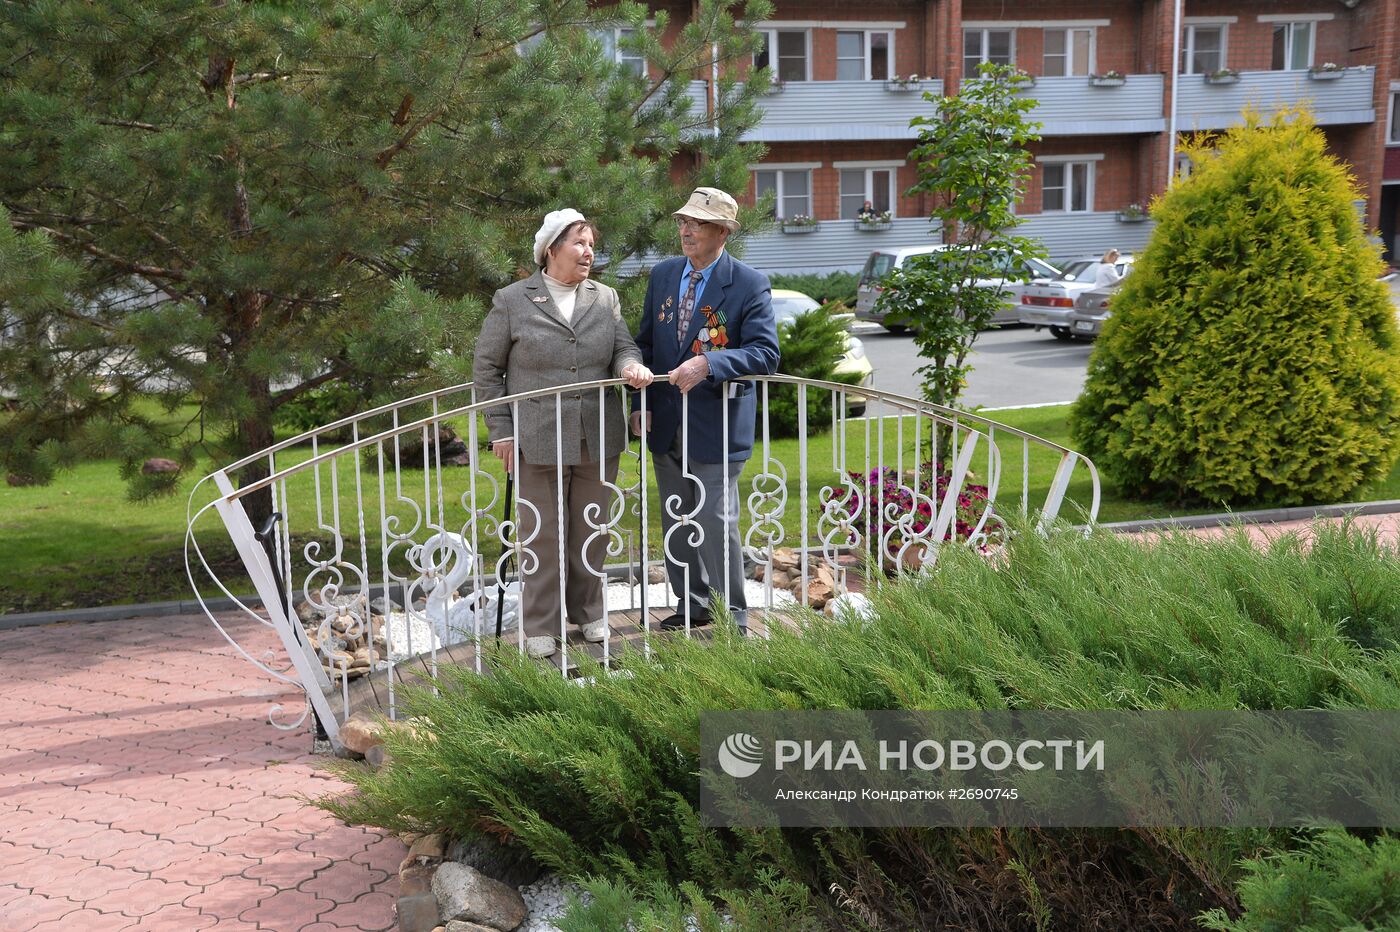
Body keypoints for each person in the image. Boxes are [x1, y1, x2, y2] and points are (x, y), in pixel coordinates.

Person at [474, 209, 654, 658]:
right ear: (550, 249)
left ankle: (590, 612)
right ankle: (541, 623)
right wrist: (501, 429)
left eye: (592, 243)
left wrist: (629, 366)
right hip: (535, 434)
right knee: (541, 533)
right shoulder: (513, 300)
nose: (588, 251)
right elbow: (487, 369)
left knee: (591, 529)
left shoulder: (605, 297)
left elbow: (622, 346)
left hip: (598, 433)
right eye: (579, 242)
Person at [631, 187, 781, 633]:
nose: (686, 230)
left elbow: (766, 354)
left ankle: (732, 613)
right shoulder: (663, 275)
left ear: (723, 231)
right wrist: (639, 400)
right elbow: (645, 345)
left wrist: (710, 363)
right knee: (676, 513)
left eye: (696, 223)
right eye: (682, 222)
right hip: (665, 421)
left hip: (717, 423)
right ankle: (692, 603)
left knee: (715, 520)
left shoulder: (749, 283)